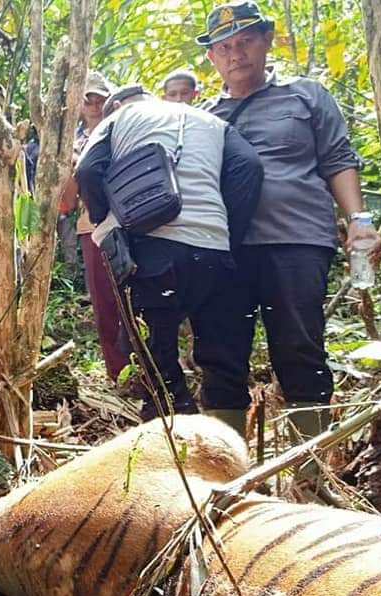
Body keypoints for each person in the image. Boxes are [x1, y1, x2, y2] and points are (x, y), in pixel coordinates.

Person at [197, 1, 381, 448]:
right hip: (226, 251)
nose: (235, 54)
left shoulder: (306, 95)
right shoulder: (202, 116)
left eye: (245, 42)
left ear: (266, 39)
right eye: (224, 47)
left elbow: (338, 158)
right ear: (211, 58)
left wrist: (358, 219)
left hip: (297, 241)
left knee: (300, 350)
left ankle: (310, 472)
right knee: (219, 359)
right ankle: (226, 479)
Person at [76, 85, 263, 421]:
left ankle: (172, 437)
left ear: (116, 105)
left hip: (153, 250)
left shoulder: (118, 119)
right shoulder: (209, 120)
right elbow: (249, 167)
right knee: (223, 362)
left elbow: (88, 171)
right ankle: (228, 452)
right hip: (215, 250)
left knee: (156, 361)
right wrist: (224, 231)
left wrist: (106, 222)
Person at [59, 70, 129, 379]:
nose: (95, 104)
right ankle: (119, 373)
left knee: (137, 299)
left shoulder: (124, 129)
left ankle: (154, 369)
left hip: (131, 223)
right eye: (88, 99)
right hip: (93, 227)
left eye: (101, 97)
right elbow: (67, 202)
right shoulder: (71, 143)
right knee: (105, 305)